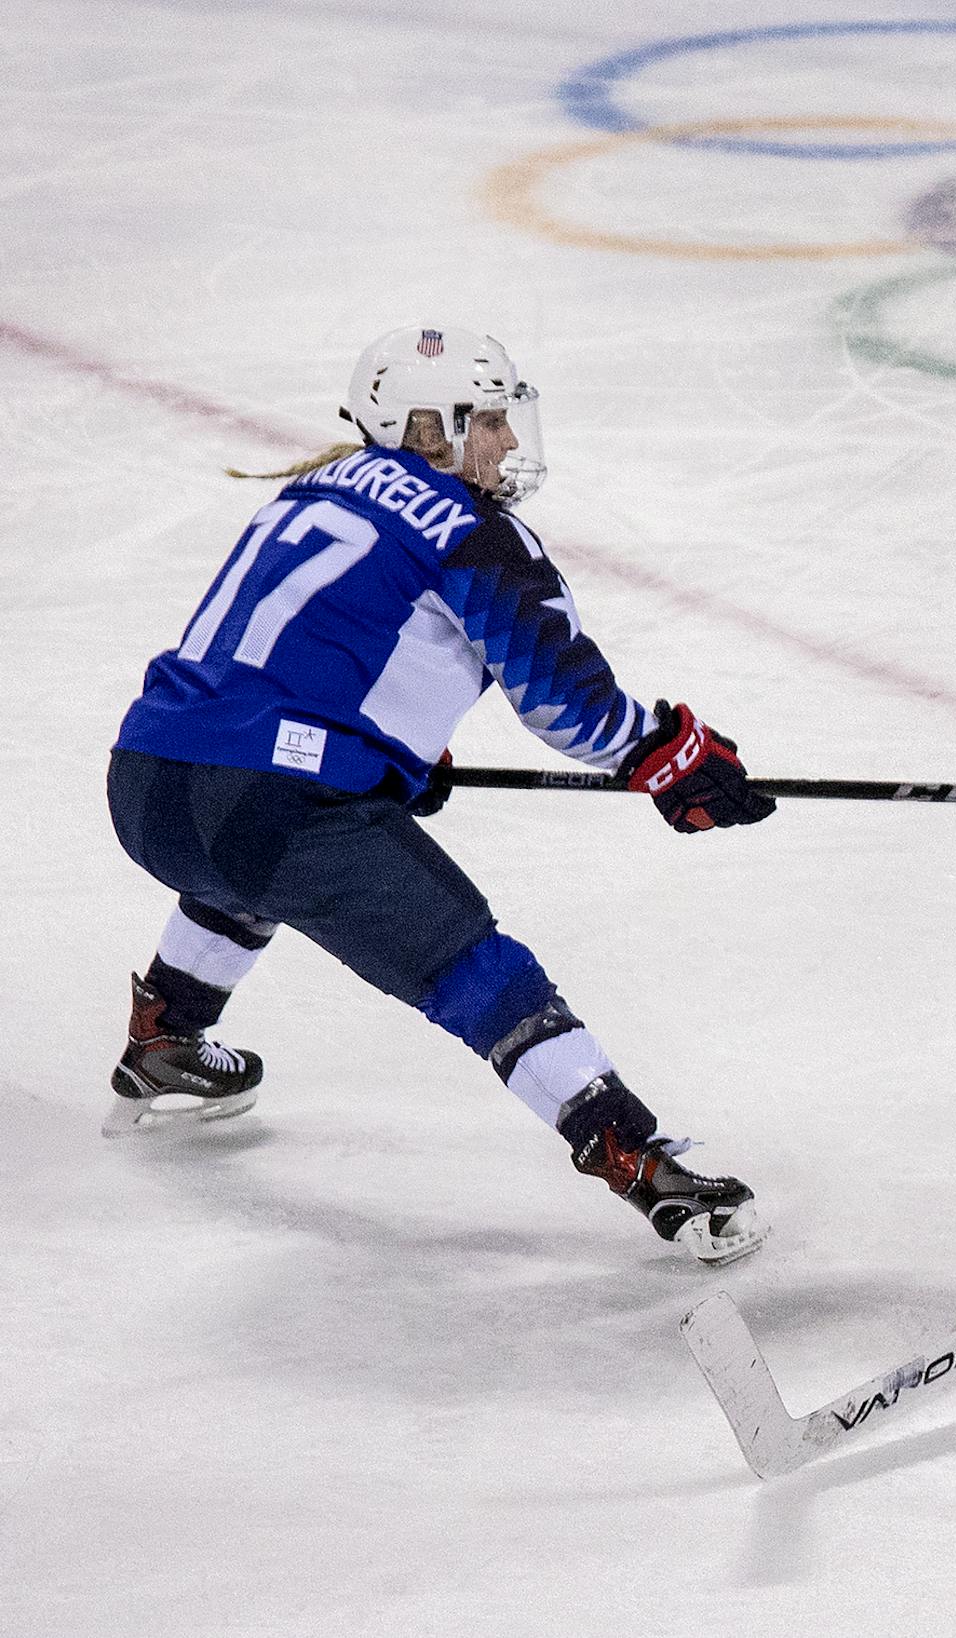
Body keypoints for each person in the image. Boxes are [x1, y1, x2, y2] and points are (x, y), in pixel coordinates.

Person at [105, 326, 774, 1264]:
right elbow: (562, 700)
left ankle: (164, 1035)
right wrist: (664, 754)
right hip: (268, 808)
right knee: (477, 966)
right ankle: (637, 1158)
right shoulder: (468, 528)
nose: (506, 444)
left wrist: (391, 757)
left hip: (145, 784)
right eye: (489, 421)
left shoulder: (315, 487)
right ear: (429, 427)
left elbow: (291, 663)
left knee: (254, 858)